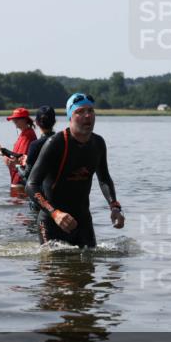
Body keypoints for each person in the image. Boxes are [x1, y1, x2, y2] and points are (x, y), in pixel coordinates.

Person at [26, 93, 124, 247]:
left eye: (91, 111)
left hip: (83, 220)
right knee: (53, 269)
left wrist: (115, 207)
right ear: (70, 117)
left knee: (89, 267)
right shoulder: (55, 143)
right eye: (80, 111)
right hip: (52, 222)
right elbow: (31, 184)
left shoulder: (98, 143)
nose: (87, 116)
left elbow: (104, 178)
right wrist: (55, 213)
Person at [0, 107, 36, 193]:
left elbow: (20, 158)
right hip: (16, 178)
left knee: (17, 203)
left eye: (17, 119)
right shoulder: (23, 134)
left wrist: (1, 149)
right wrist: (1, 152)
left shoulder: (28, 135)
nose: (14, 121)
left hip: (21, 181)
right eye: (13, 119)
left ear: (25, 120)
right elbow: (14, 156)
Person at [23, 105, 57, 176]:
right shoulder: (64, 140)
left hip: (43, 186)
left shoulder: (35, 145)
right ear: (54, 121)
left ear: (37, 122)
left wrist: (18, 166)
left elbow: (26, 174)